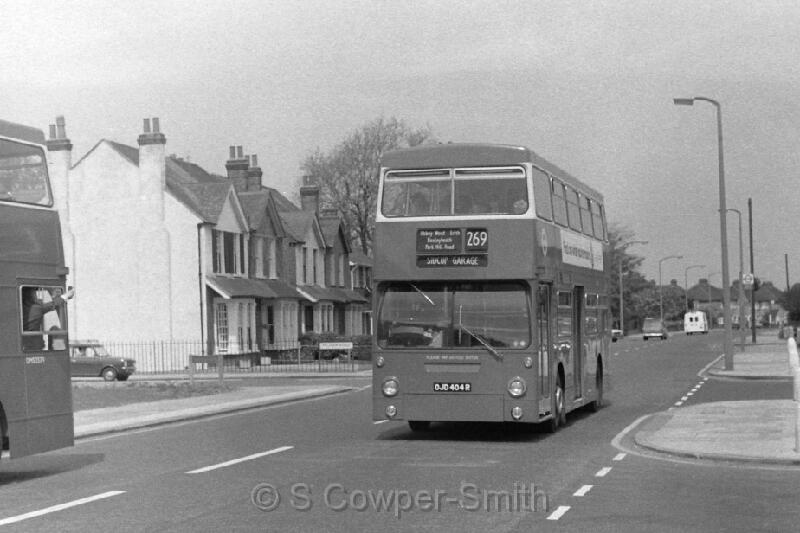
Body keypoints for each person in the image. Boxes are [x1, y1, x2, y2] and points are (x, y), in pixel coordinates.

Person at [21, 286, 74, 351]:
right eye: (34, 293)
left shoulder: (20, 308)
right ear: (31, 295)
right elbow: (54, 304)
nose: (36, 295)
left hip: (23, 346)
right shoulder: (36, 309)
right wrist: (67, 295)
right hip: (35, 348)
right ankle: (60, 353)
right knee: (55, 330)